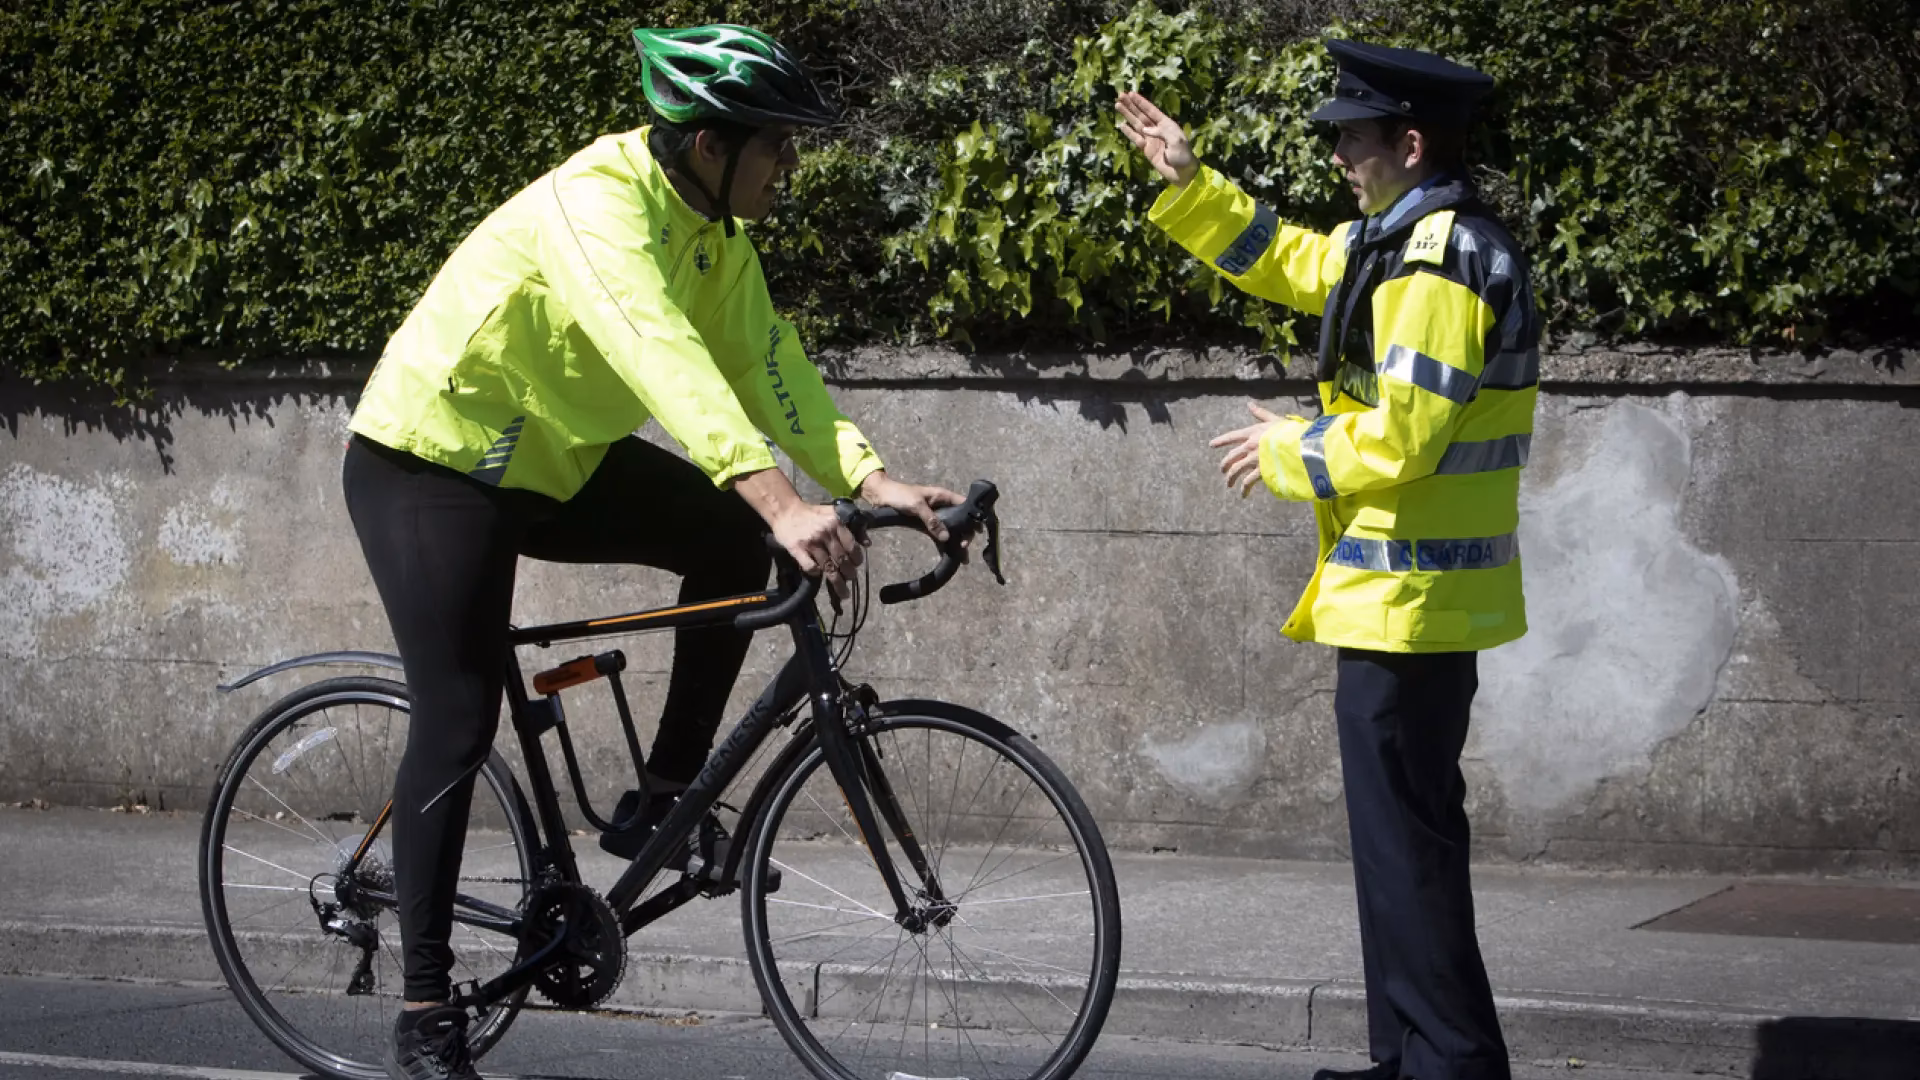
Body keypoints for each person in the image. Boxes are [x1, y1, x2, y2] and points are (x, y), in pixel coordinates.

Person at [342, 24, 962, 1080]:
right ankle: (424, 1010)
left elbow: (769, 368)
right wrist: (780, 500)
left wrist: (869, 481)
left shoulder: (715, 236)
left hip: (552, 459)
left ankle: (662, 799)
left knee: (728, 536)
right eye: (777, 145)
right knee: (457, 716)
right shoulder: (599, 205)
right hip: (433, 462)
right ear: (711, 146)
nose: (791, 166)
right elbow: (658, 353)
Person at [1116, 38, 1540, 1080]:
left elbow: (1405, 436)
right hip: (1404, 600)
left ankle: (1447, 1067)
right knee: (1402, 854)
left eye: (1353, 138)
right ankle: (1411, 1061)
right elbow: (1296, 261)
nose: (1339, 156)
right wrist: (1191, 182)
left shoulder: (1437, 263)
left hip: (1413, 603)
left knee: (1411, 856)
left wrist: (1288, 450)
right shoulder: (1403, 241)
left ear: (1410, 143)